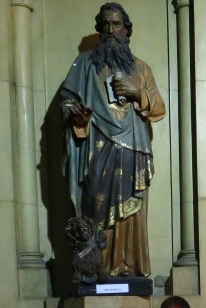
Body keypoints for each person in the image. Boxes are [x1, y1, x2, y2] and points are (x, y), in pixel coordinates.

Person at [60, 3, 166, 277]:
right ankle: (97, 268)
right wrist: (78, 120)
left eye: (116, 24)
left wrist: (137, 92)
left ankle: (128, 266)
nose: (111, 30)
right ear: (99, 29)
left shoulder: (141, 68)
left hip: (134, 147)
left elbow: (158, 109)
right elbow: (67, 101)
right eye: (105, 24)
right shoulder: (84, 64)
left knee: (132, 210)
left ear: (126, 29)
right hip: (98, 146)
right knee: (96, 205)